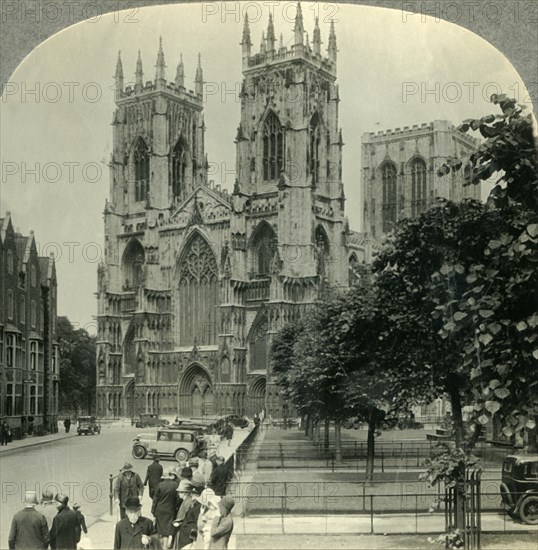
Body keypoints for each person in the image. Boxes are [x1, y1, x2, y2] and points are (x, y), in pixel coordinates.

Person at [152, 468, 181, 548]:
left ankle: (163, 545)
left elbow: (155, 499)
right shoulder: (175, 485)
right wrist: (175, 507)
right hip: (170, 509)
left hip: (160, 509)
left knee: (161, 528)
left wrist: (153, 510)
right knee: (168, 526)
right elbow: (177, 499)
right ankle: (169, 540)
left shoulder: (159, 485)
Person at [174, 483, 202, 549]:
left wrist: (194, 537)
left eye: (195, 494)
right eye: (192, 494)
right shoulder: (193, 504)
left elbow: (196, 522)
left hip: (189, 534)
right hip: (184, 532)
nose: (192, 496)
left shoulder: (197, 506)